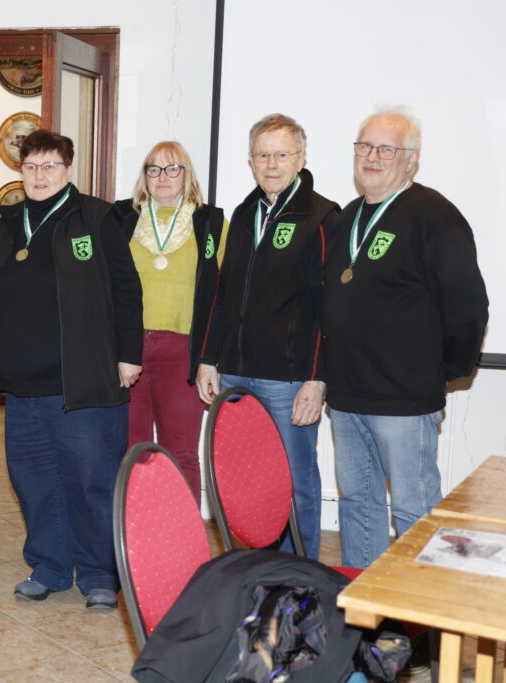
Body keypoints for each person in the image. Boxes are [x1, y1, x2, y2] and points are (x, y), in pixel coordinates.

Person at [0, 129, 143, 610]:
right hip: (22, 388)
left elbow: (126, 289)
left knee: (91, 481)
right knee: (34, 481)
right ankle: (49, 566)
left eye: (49, 166)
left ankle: (99, 574)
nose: (40, 175)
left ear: (68, 170)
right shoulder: (6, 223)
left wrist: (129, 355)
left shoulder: (97, 217)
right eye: (31, 166)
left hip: (82, 381)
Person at [323, 109, 488, 568]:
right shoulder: (347, 217)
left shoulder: (435, 215)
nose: (372, 157)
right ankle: (363, 603)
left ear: (412, 159)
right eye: (364, 146)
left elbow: (469, 306)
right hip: (347, 396)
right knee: (357, 505)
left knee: (415, 511)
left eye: (386, 149)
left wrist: (447, 370)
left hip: (404, 399)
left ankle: (424, 611)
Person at [196, 114, 338, 560]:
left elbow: (328, 307)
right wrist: (208, 358)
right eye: (263, 155)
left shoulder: (322, 217)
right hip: (236, 375)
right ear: (250, 160)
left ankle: (299, 574)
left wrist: (316, 379)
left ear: (301, 158)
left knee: (295, 484)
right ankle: (260, 569)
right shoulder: (243, 214)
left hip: (287, 381)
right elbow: (222, 293)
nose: (272, 164)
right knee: (249, 485)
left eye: (281, 154)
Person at [112, 142, 228, 499]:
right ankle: (136, 532)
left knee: (181, 453)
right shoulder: (120, 217)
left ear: (186, 174)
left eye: (172, 168)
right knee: (132, 451)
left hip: (182, 350)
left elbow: (223, 295)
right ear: (144, 176)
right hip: (128, 350)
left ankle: (183, 534)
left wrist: (210, 358)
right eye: (154, 169)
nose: (163, 177)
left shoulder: (212, 222)